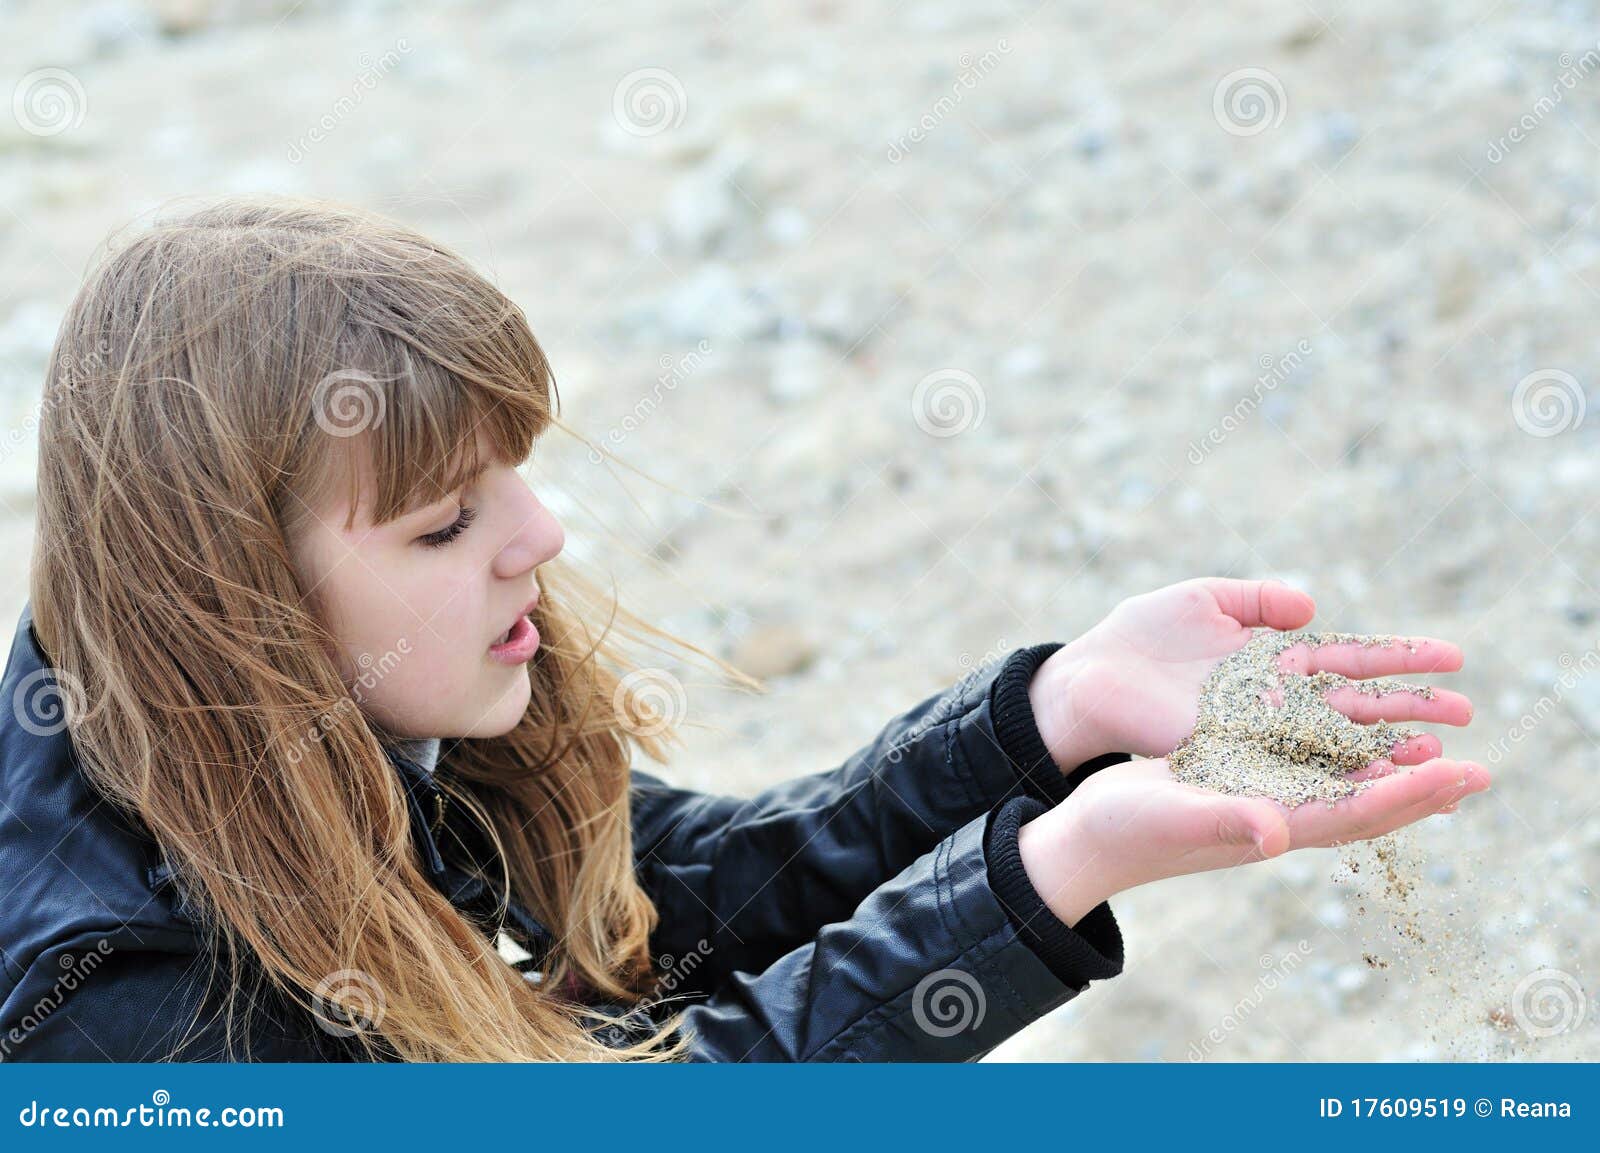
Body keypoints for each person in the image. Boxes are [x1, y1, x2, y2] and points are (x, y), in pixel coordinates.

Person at [0, 199, 1485, 1062]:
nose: (541, 537)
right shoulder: (111, 1007)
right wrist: (1054, 871)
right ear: (243, 605)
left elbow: (669, 907)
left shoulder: (337, 708)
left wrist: (1048, 717)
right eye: (445, 521)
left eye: (515, 468)